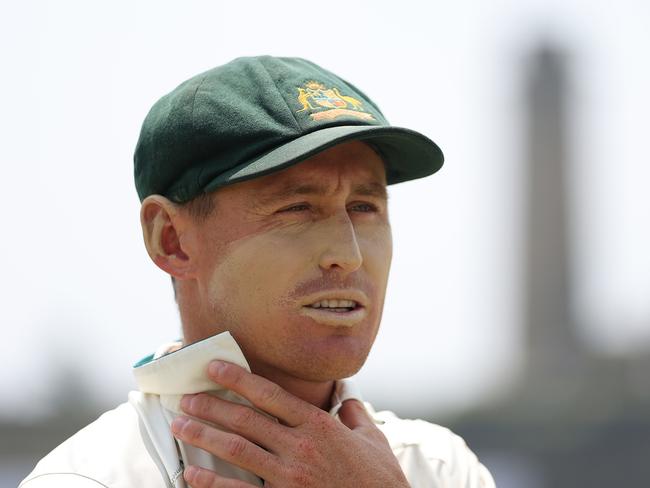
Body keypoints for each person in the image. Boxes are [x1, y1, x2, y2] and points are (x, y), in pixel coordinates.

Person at [21, 56, 495, 488]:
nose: (348, 255)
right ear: (172, 239)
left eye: (365, 206)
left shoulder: (439, 467)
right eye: (297, 208)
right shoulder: (88, 479)